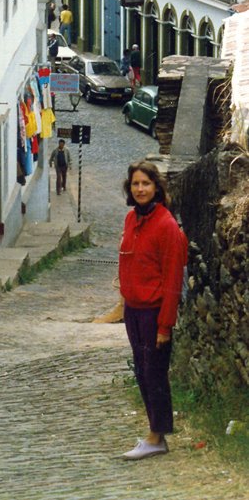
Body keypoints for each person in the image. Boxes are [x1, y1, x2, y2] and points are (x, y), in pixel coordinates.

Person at [119, 161, 188, 461]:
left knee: (154, 373)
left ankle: (156, 437)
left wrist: (165, 326)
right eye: (135, 184)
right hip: (133, 311)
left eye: (145, 183)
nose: (140, 189)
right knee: (142, 372)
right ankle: (154, 432)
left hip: (154, 312)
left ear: (156, 188)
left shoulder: (166, 225)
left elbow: (173, 280)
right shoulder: (131, 219)